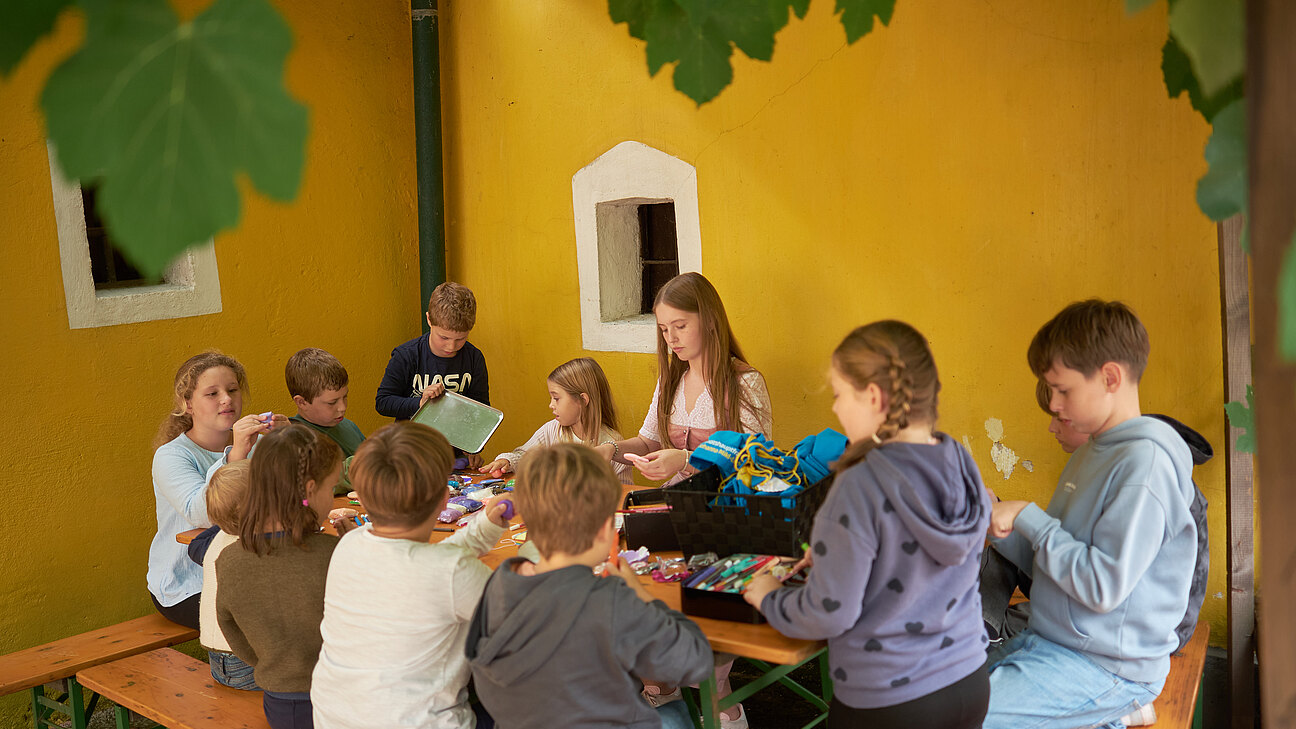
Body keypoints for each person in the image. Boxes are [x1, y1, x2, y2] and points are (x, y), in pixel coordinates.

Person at [743, 320, 991, 729]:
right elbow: (921, 560)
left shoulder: (860, 484)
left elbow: (829, 614)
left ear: (874, 397)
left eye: (839, 395)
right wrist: (836, 557)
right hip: (967, 680)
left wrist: (771, 597)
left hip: (890, 699)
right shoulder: (959, 460)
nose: (836, 409)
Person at [983, 299, 1197, 729]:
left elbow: (1101, 586)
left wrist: (1027, 515)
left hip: (1107, 667)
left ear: (1110, 378)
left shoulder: (1145, 467)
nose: (1054, 404)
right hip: (1054, 642)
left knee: (958, 717)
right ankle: (1102, 718)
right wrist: (994, 525)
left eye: (1063, 390)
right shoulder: (1093, 451)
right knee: (935, 698)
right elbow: (1055, 563)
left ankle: (1110, 710)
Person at [591, 271, 770, 726]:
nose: (670, 338)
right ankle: (661, 690)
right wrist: (610, 450)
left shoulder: (745, 383)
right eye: (663, 329)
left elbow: (755, 466)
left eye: (679, 326)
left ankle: (718, 701)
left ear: (709, 320)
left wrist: (686, 459)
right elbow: (649, 441)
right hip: (672, 521)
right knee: (629, 598)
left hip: (730, 526)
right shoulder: (671, 379)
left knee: (705, 659)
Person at [465, 443, 711, 729]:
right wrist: (641, 598)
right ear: (607, 530)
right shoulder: (608, 599)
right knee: (675, 717)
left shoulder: (501, 580)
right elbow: (695, 660)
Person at [312, 422, 511, 729]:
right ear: (445, 499)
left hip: (335, 718)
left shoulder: (350, 543)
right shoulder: (451, 571)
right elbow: (523, 624)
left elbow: (430, 563)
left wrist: (486, 526)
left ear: (361, 497)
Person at [216, 424, 351, 729]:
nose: (332, 499)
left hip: (280, 699)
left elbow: (232, 631)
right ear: (309, 490)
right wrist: (358, 552)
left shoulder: (229, 559)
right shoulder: (334, 553)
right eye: (331, 488)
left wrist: (274, 665)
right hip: (341, 692)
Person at [147, 351, 284, 629]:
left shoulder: (257, 446)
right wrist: (236, 455)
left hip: (252, 569)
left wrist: (290, 443)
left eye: (232, 390)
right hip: (189, 583)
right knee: (271, 618)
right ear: (187, 404)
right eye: (212, 394)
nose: (227, 399)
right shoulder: (171, 456)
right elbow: (202, 514)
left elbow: (295, 498)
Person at [479, 357, 633, 484]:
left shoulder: (613, 444)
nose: (551, 405)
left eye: (556, 398)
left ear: (583, 400)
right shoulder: (552, 430)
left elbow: (624, 493)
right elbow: (524, 456)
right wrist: (507, 461)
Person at [187, 461, 258, 690]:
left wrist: (223, 521)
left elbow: (195, 545)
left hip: (219, 660)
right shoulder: (255, 546)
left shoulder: (220, 536)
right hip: (246, 664)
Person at [375, 281, 489, 419]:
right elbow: (383, 402)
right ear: (429, 319)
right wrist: (421, 403)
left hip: (455, 432)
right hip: (412, 432)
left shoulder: (474, 358)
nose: (451, 346)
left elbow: (482, 410)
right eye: (444, 337)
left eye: (461, 339)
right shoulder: (406, 355)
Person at [287, 348, 366, 457]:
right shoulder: (296, 442)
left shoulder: (348, 425)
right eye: (332, 403)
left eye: (345, 397)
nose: (343, 407)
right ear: (302, 402)